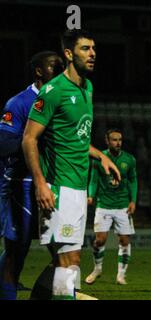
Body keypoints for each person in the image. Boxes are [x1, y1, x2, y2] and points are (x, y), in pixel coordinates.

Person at [22, 29, 120, 300]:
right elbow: (29, 139)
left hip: (78, 190)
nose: (93, 54)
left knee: (64, 264)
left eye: (93, 48)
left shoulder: (87, 88)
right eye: (85, 49)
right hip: (59, 189)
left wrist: (100, 156)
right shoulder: (53, 91)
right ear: (68, 54)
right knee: (69, 264)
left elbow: (75, 137)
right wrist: (41, 184)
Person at [0, 51, 63, 300]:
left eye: (61, 64)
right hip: (21, 184)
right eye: (52, 65)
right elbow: (4, 144)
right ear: (39, 71)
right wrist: (34, 140)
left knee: (65, 251)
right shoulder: (19, 103)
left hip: (56, 184)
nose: (58, 67)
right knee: (18, 250)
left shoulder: (61, 100)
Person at [85, 128, 137, 286]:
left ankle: (121, 275)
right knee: (99, 240)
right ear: (107, 141)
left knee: (124, 240)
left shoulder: (129, 159)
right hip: (104, 204)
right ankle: (97, 269)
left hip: (122, 206)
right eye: (114, 140)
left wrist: (133, 200)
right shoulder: (99, 158)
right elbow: (93, 180)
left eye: (120, 139)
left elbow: (133, 181)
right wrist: (91, 195)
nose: (118, 143)